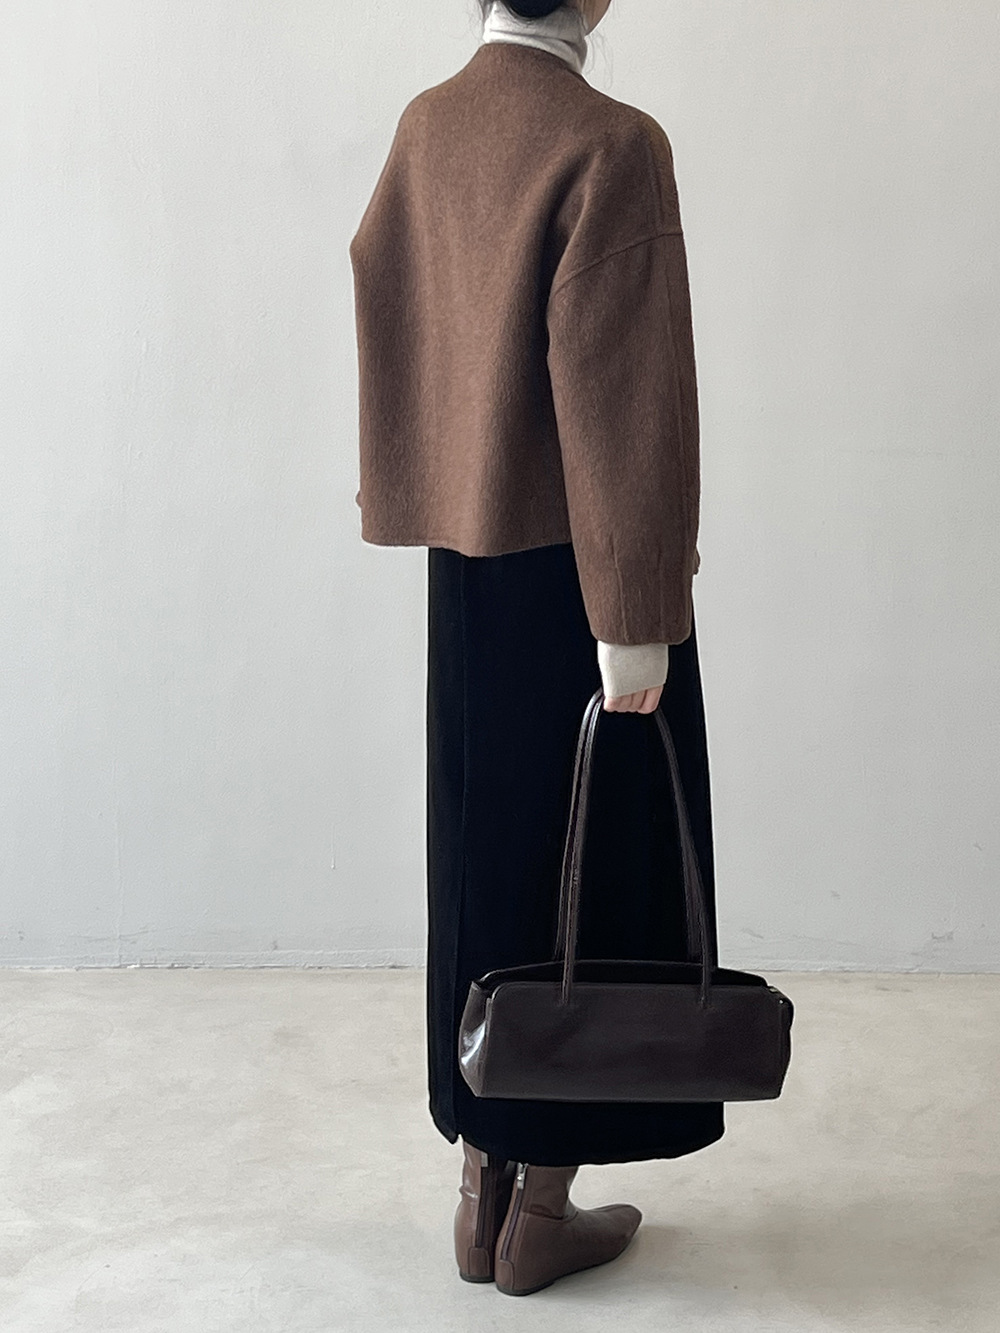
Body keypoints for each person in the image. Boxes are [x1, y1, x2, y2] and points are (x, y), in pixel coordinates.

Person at [349, 0, 723, 1297]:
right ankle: (543, 1211)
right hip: (579, 574)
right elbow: (625, 403)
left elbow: (383, 277)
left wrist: (428, 472)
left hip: (468, 570)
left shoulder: (428, 125)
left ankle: (480, 1194)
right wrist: (635, 617)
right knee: (595, 880)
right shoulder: (613, 144)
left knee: (487, 860)